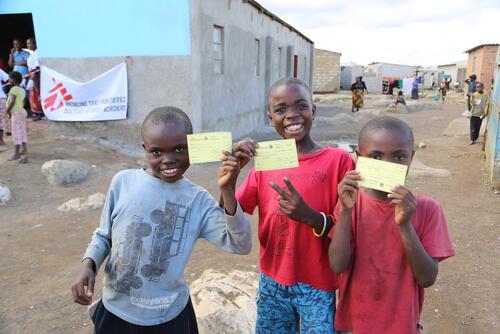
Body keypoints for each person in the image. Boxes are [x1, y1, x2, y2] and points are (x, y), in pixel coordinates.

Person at [71, 106, 252, 334]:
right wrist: (88, 264)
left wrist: (227, 188)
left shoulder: (197, 200)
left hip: (169, 317)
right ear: (145, 149)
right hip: (116, 310)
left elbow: (241, 244)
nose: (168, 160)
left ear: (193, 147)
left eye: (179, 149)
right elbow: (103, 235)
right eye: (157, 152)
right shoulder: (123, 183)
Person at [232, 78, 354, 334]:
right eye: (280, 110)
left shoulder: (338, 160)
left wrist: (309, 216)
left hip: (318, 282)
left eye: (300, 106)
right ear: (270, 117)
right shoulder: (266, 161)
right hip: (273, 280)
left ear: (313, 110)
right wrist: (231, 176)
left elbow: (347, 226)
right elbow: (234, 208)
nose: (291, 115)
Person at [329, 117, 455, 334]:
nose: (387, 165)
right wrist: (346, 212)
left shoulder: (428, 209)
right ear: (359, 159)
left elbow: (427, 278)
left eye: (399, 156)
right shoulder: (351, 203)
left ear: (411, 158)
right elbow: (338, 265)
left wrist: (405, 225)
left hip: (401, 327)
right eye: (376, 156)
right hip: (353, 325)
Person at [4, 71, 28, 162]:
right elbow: (24, 102)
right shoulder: (22, 89)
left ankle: (16, 154)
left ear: (13, 80)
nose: (8, 80)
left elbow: (12, 101)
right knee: (22, 130)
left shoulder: (13, 89)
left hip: (16, 113)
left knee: (16, 132)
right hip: (22, 111)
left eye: (9, 78)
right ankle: (24, 150)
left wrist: (8, 110)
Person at [26, 37, 43, 121]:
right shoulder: (32, 54)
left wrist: (33, 76)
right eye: (27, 44)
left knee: (37, 93)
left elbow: (37, 66)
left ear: (34, 44)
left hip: (35, 74)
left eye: (29, 43)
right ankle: (36, 112)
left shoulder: (37, 53)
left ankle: (40, 113)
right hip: (32, 74)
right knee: (32, 94)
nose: (28, 45)